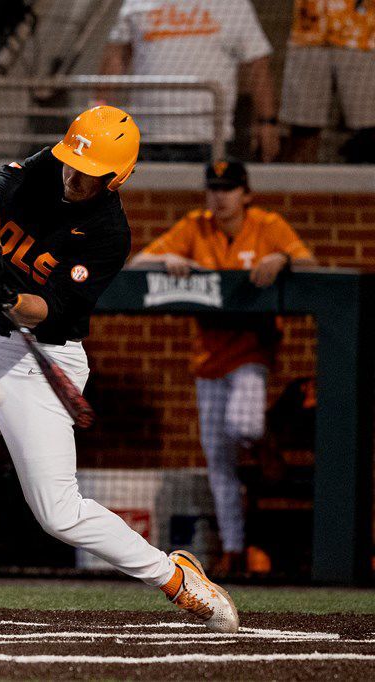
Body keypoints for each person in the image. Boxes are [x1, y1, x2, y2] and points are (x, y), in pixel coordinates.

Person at [0, 106, 239, 635]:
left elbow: (46, 311)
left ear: (117, 177)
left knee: (58, 512)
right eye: (72, 163)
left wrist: (8, 293)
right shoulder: (52, 163)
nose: (74, 176)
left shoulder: (107, 235)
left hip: (43, 359)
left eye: (89, 171)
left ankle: (174, 576)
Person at [130, 158, 316, 576]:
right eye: (214, 187)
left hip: (252, 349)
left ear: (245, 193)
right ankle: (234, 550)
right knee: (219, 460)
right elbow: (137, 264)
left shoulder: (267, 225)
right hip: (209, 356)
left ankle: (263, 443)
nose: (220, 195)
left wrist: (283, 259)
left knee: (244, 426)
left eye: (229, 188)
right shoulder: (195, 225)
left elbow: (311, 266)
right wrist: (169, 263)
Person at [100, 0, 279, 162]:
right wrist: (100, 114)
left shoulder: (232, 4)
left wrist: (267, 122)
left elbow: (258, 64)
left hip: (210, 139)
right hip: (146, 136)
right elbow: (116, 57)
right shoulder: (137, 3)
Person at [279, 0, 375, 163]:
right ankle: (298, 186)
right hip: (309, 32)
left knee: (368, 134)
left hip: (361, 35)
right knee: (303, 131)